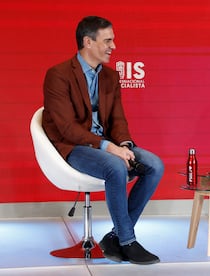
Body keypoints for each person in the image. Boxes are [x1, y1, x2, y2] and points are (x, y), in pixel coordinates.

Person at [42, 16, 164, 265]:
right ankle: (128, 242)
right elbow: (66, 128)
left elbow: (118, 120)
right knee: (114, 165)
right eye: (108, 40)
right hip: (74, 147)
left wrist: (125, 146)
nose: (114, 46)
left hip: (107, 145)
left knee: (155, 165)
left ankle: (114, 237)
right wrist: (109, 148)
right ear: (88, 41)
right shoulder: (58, 75)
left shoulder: (110, 77)